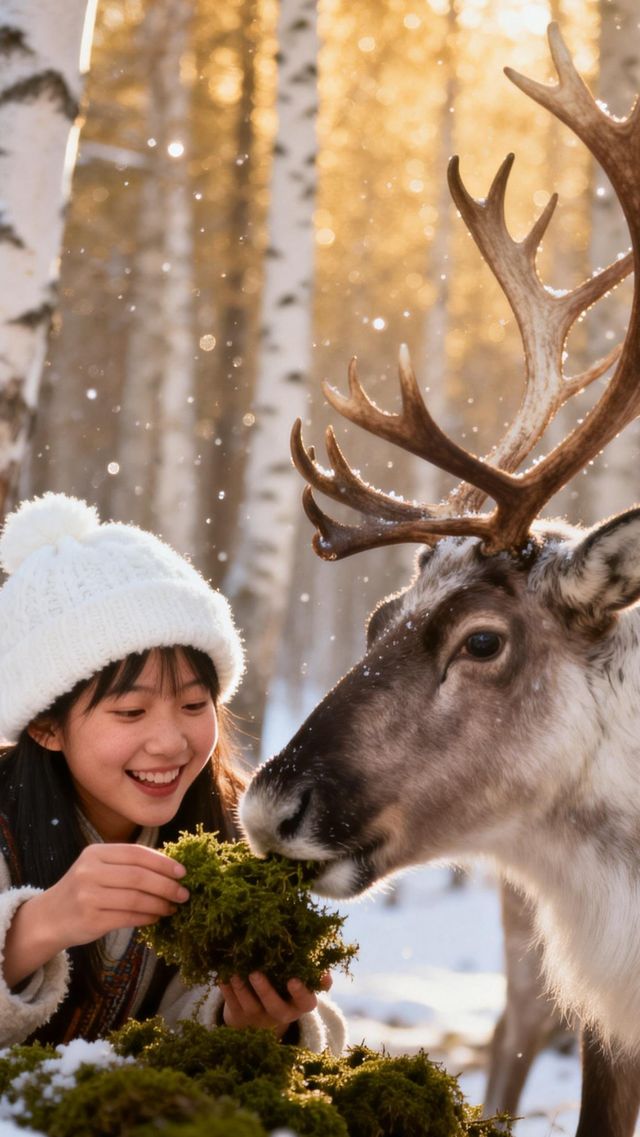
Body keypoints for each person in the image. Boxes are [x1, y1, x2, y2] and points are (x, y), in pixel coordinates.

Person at [0, 492, 346, 1054]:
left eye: (192, 705)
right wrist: (37, 927)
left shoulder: (237, 836)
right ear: (46, 727)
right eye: (131, 712)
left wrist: (253, 1028)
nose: (170, 743)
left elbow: (304, 1039)